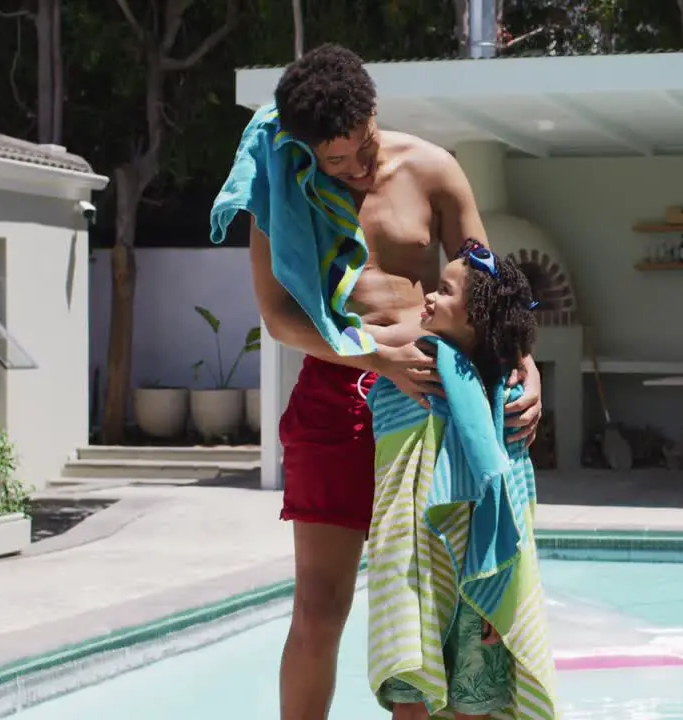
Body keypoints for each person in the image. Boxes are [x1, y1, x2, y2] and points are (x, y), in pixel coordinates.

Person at [228, 44, 544, 719]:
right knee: (319, 608)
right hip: (337, 400)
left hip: (436, 399)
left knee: (441, 609)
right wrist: (377, 359)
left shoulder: (434, 169)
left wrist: (526, 367)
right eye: (333, 161)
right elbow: (280, 319)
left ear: (374, 112)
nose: (353, 169)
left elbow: (490, 295)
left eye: (360, 148)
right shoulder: (282, 189)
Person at [366, 241, 555, 720]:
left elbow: (516, 498)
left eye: (445, 292)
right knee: (409, 698)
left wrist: (504, 589)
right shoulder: (409, 371)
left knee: (474, 703)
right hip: (409, 564)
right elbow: (336, 335)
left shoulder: (506, 396)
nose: (429, 296)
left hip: (481, 565)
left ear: (475, 316)